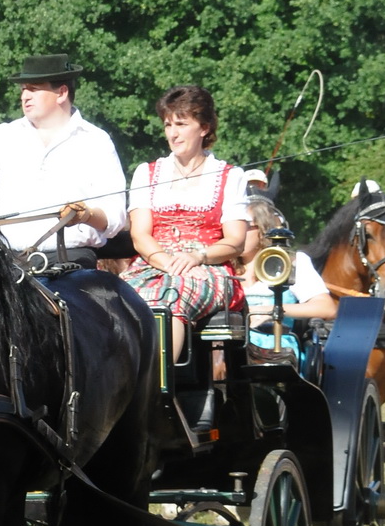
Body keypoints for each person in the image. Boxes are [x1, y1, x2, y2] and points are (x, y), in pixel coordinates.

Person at [0, 54, 128, 267]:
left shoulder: (96, 140)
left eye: (34, 88)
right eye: (23, 89)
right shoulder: (2, 136)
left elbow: (114, 218)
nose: (25, 96)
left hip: (71, 262)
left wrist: (85, 215)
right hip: (8, 263)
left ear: (62, 92)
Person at [123, 84, 250, 361]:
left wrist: (196, 256)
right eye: (168, 124)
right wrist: (172, 264)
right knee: (118, 300)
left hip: (209, 267)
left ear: (204, 128)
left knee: (170, 296)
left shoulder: (229, 175)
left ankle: (158, 391)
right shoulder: (147, 172)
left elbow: (235, 241)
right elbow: (141, 236)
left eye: (181, 124)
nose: (172, 133)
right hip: (154, 263)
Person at [241, 197, 336, 356]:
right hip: (230, 347)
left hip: (276, 348)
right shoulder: (221, 267)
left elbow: (326, 308)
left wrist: (271, 310)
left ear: (263, 229)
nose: (236, 232)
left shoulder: (292, 262)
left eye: (244, 225)